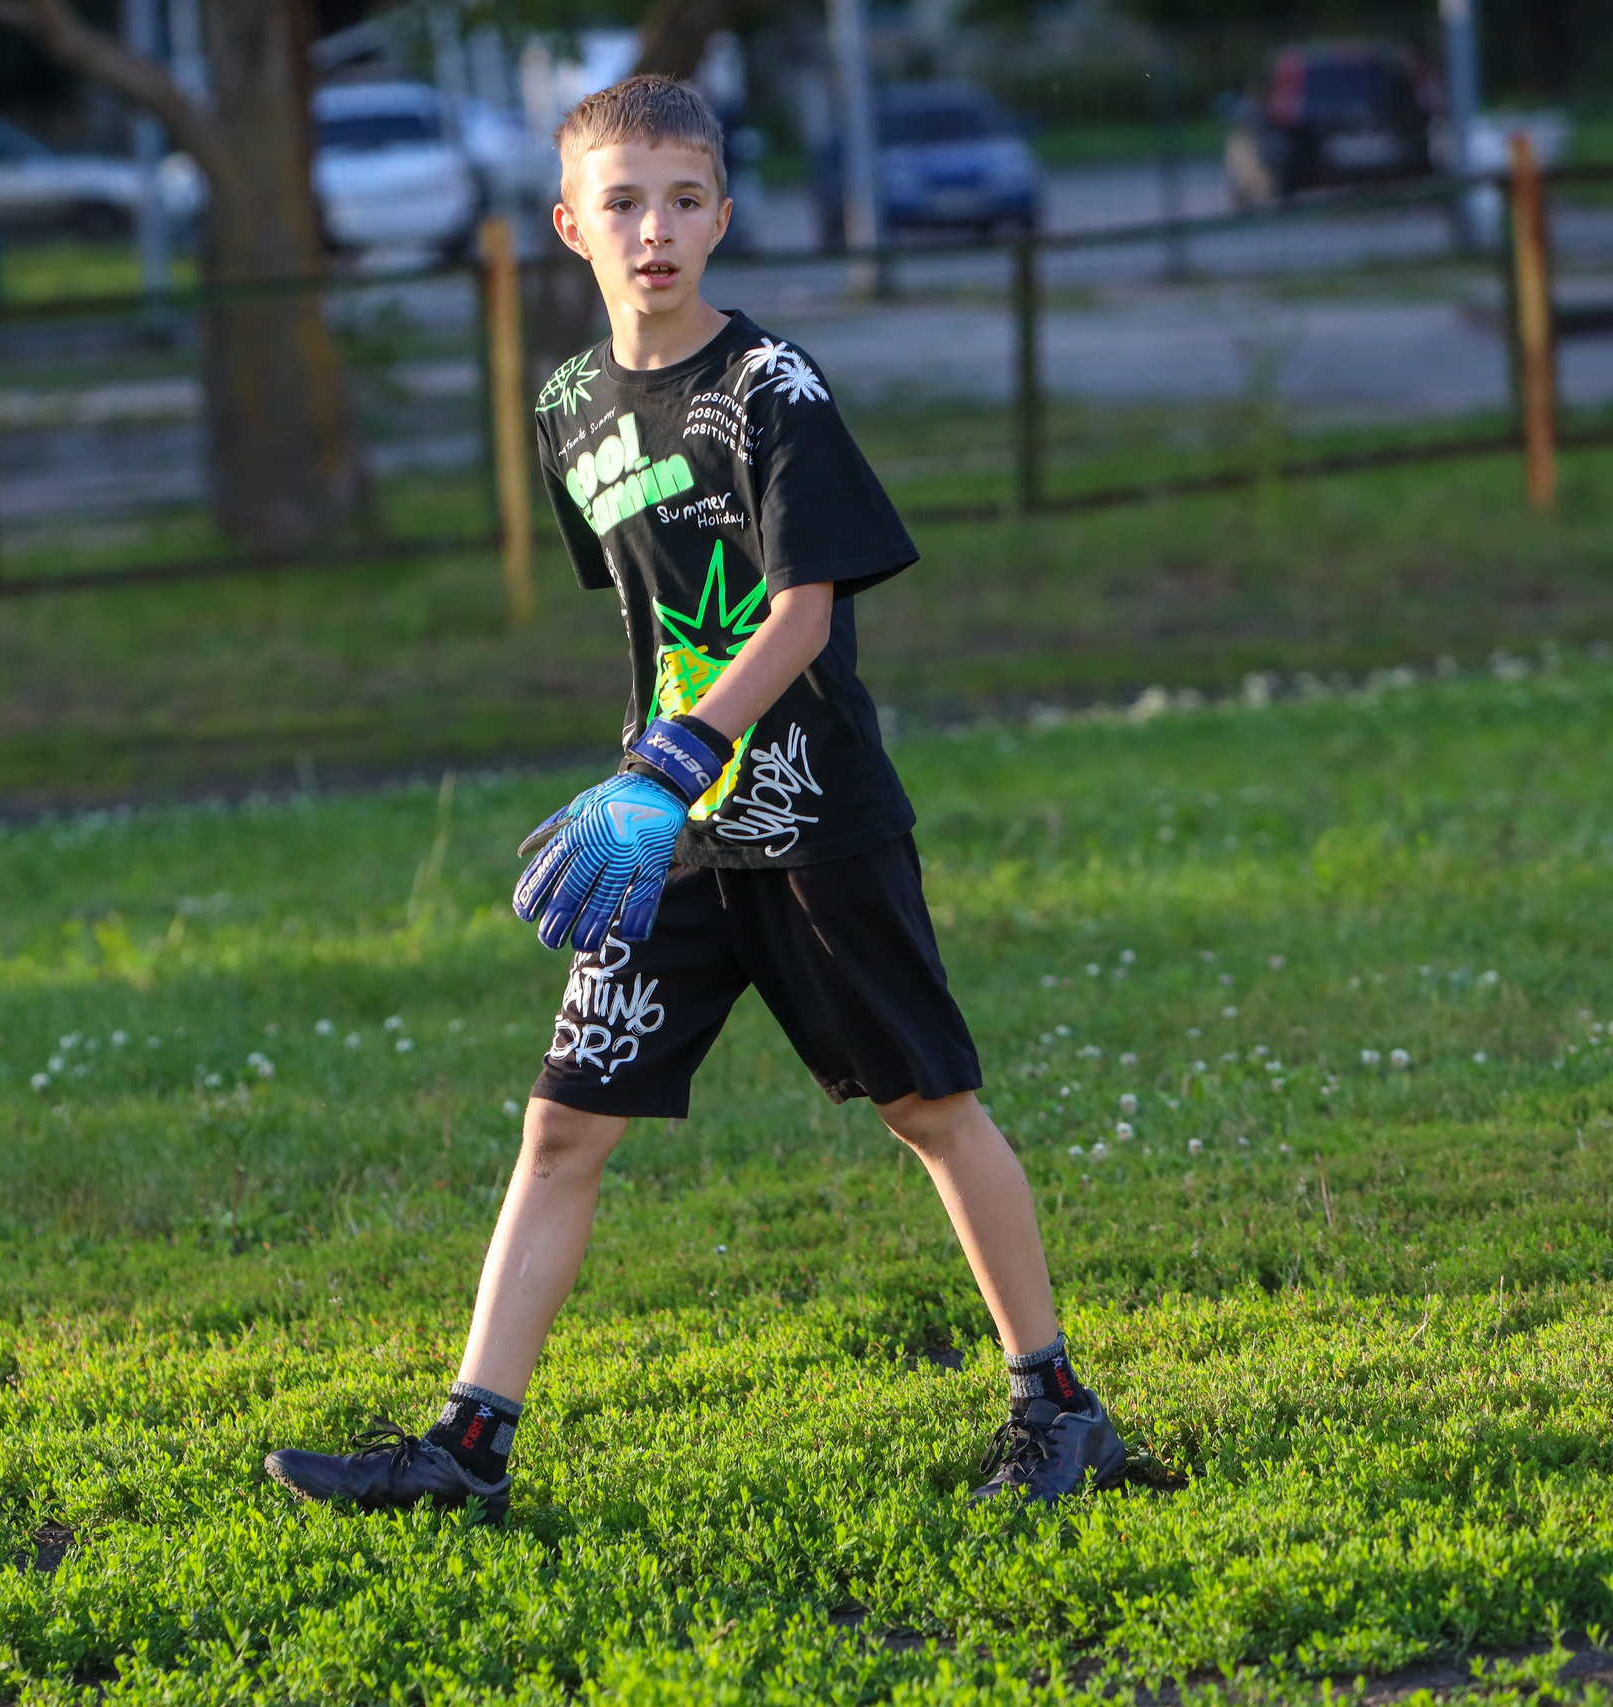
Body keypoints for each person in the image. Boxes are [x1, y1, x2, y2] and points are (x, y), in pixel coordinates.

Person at [264, 74, 1126, 1525]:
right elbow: (654, 611)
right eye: (621, 202)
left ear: (721, 215)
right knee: (560, 1131)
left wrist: (686, 752)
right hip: (658, 842)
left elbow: (800, 608)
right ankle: (468, 1447)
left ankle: (1058, 1407)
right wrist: (652, 778)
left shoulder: (769, 388)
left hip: (807, 823)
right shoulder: (566, 405)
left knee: (929, 1108)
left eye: (680, 199)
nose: (652, 229)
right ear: (568, 227)